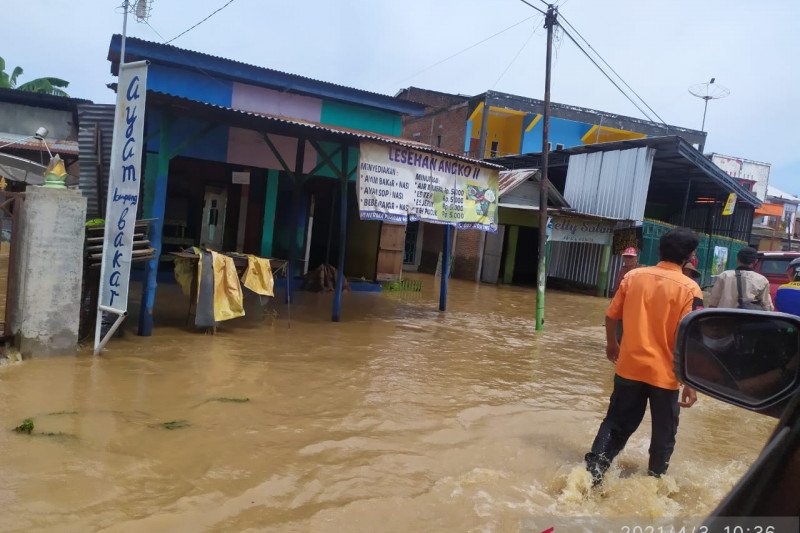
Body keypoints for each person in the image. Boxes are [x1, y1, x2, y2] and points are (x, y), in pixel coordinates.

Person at [585, 227, 703, 485]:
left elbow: (610, 315)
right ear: (689, 257)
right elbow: (688, 339)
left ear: (661, 250)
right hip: (666, 376)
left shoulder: (634, 277)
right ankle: (654, 483)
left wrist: (611, 344)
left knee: (615, 424)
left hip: (629, 368)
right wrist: (691, 383)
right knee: (664, 434)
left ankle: (591, 475)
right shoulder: (691, 289)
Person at [707, 247, 773, 311]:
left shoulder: (724, 276)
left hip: (724, 318)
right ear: (756, 261)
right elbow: (767, 307)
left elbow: (713, 303)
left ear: (737, 259)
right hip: (748, 320)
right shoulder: (762, 280)